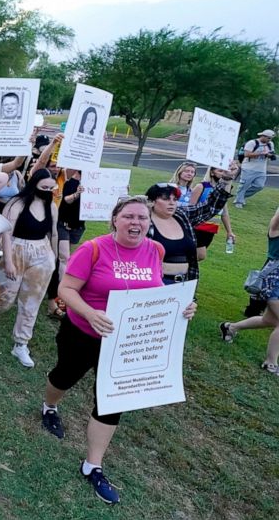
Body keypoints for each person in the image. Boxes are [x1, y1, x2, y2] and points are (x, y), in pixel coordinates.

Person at [41, 196, 197, 504]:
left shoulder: (156, 250)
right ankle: (49, 407)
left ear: (149, 223)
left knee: (112, 401)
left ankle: (93, 465)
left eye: (142, 218)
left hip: (125, 342)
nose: (136, 223)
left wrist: (180, 305)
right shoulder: (93, 249)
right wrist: (89, 313)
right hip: (83, 332)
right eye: (129, 217)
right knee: (64, 377)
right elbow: (65, 289)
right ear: (115, 219)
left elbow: (155, 287)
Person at [0, 169, 58, 367]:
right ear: (34, 184)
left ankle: (21, 343)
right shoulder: (16, 203)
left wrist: (53, 256)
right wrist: (9, 261)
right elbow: (6, 234)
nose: (47, 191)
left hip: (41, 251)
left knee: (32, 302)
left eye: (50, 187)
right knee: (3, 298)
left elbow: (53, 233)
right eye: (43, 187)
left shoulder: (51, 206)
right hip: (16, 249)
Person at [146, 161, 236, 285]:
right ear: (151, 201)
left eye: (175, 199)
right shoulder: (144, 223)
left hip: (184, 282)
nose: (172, 203)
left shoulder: (182, 216)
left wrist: (226, 179)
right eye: (166, 199)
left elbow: (210, 207)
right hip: (154, 283)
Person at [219, 204, 279, 376]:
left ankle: (230, 327)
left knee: (268, 320)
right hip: (273, 283)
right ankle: (270, 362)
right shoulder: (275, 230)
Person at [47, 168, 85, 318]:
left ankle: (56, 283)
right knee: (64, 257)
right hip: (62, 223)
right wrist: (77, 194)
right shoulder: (69, 182)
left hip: (78, 226)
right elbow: (66, 200)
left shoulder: (94, 186)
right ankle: (61, 291)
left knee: (64, 258)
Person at [190, 166, 236, 260]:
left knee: (196, 257)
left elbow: (224, 212)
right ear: (211, 173)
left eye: (224, 171)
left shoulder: (223, 191)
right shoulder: (202, 186)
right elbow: (191, 207)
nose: (223, 173)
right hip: (198, 226)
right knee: (199, 255)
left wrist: (229, 231)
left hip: (211, 228)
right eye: (220, 171)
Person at [235, 130, 275, 208]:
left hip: (261, 169)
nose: (269, 140)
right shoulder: (252, 143)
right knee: (244, 185)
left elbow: (272, 154)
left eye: (271, 138)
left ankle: (241, 196)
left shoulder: (270, 144)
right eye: (268, 138)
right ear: (263, 136)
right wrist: (262, 153)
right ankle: (238, 201)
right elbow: (246, 154)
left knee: (259, 186)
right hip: (248, 168)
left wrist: (270, 155)